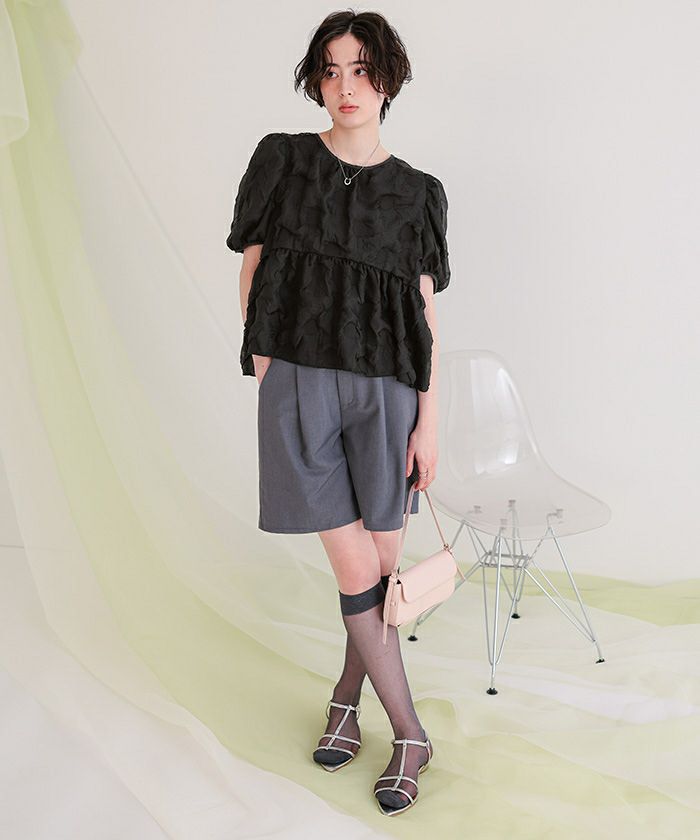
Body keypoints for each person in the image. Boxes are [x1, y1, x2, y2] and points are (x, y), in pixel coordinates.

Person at [226, 10, 451, 817]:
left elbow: (422, 314)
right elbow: (253, 262)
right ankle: (411, 735)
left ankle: (346, 703)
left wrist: (428, 419)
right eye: (330, 70)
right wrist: (267, 364)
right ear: (315, 80)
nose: (345, 86)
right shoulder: (282, 159)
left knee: (379, 576)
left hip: (388, 392)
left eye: (361, 69)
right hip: (301, 382)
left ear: (387, 79)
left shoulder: (419, 193)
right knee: (358, 571)